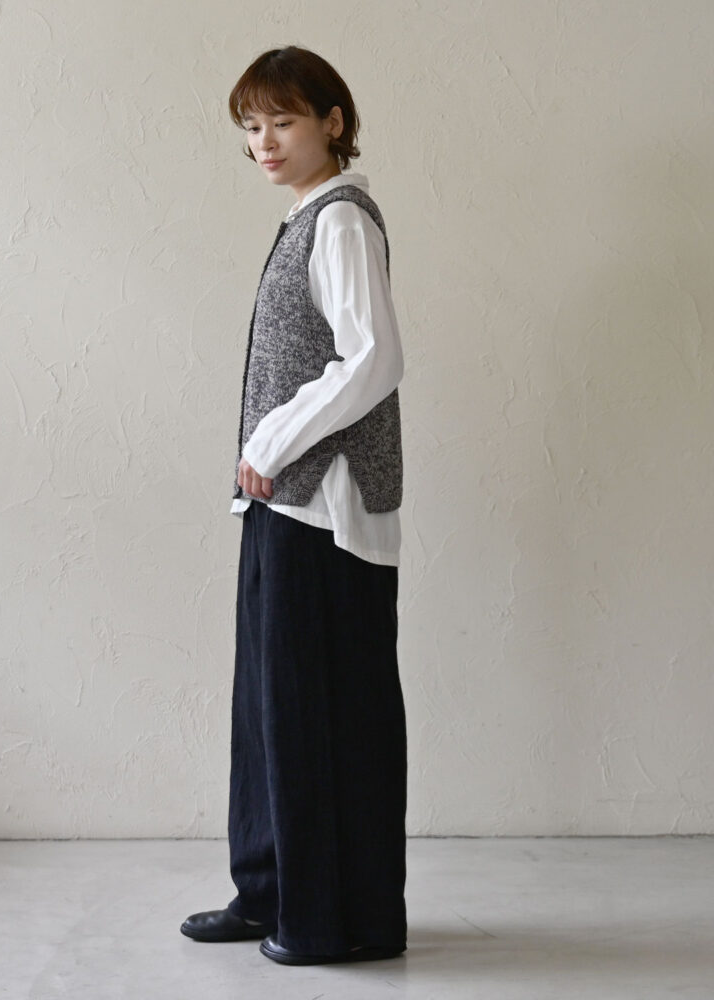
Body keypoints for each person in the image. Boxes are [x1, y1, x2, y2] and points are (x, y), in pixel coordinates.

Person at [180, 44, 408, 967]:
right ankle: (269, 892)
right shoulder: (307, 217)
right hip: (284, 507)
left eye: (282, 120)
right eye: (251, 125)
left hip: (327, 510)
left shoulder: (341, 219)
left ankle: (329, 922)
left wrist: (268, 445)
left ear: (332, 122)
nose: (264, 141)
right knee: (270, 712)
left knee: (320, 713)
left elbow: (374, 357)